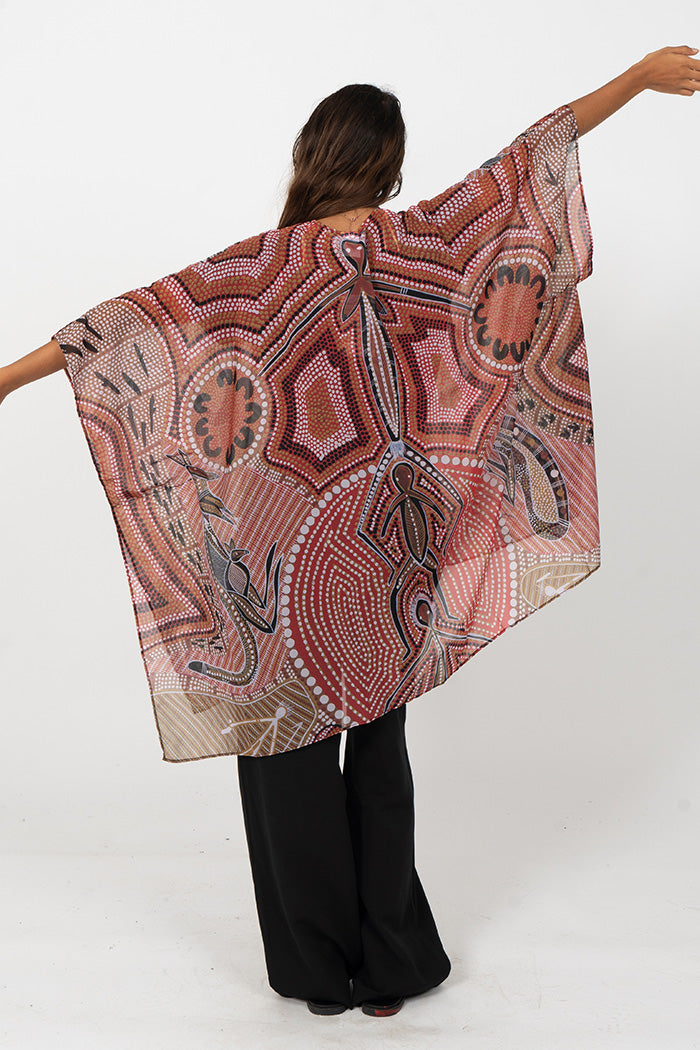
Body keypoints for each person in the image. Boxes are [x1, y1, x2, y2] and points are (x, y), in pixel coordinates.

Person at [1, 45, 697, 1020]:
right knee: (378, 754)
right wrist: (638, 79)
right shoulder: (424, 238)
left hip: (281, 554)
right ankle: (392, 968)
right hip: (392, 551)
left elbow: (120, 328)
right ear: (390, 167)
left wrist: (4, 380)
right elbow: (528, 164)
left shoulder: (252, 268)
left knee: (284, 755)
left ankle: (317, 972)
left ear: (311, 154)